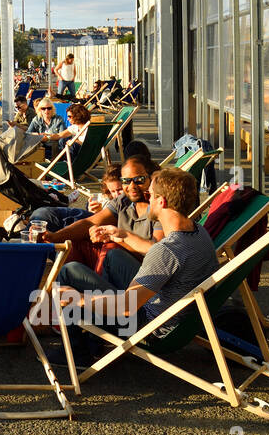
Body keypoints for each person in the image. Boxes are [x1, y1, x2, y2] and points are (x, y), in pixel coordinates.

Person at [53, 166, 218, 367]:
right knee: (114, 256)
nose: (148, 199)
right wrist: (120, 234)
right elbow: (159, 255)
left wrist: (77, 299)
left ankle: (77, 351)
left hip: (149, 328)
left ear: (162, 201)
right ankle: (96, 338)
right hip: (180, 320)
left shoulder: (167, 251)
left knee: (70, 272)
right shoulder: (199, 233)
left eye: (152, 195)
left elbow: (126, 307)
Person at [38, 155, 162, 272]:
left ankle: (93, 289)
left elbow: (157, 254)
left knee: (111, 250)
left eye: (139, 180)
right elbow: (89, 222)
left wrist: (117, 239)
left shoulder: (160, 206)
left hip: (142, 273)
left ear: (151, 178)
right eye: (126, 181)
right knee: (73, 243)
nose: (132, 186)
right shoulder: (124, 200)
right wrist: (54, 237)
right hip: (118, 259)